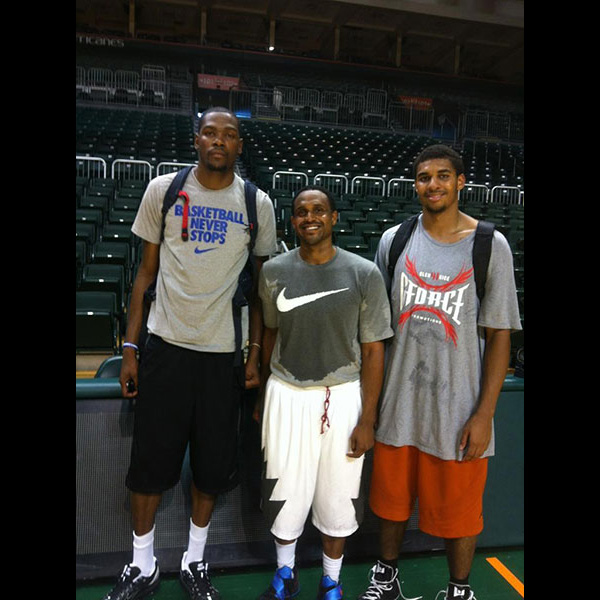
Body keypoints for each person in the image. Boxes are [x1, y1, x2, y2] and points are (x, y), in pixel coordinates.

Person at [104, 106, 277, 600]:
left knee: (210, 467)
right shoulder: (163, 189)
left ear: (239, 146)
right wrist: (132, 347)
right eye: (210, 132)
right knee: (150, 466)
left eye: (229, 134)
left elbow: (263, 288)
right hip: (165, 349)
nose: (219, 140)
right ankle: (142, 566)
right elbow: (144, 276)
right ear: (195, 139)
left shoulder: (255, 202)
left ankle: (194, 562)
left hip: (223, 356)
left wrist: (255, 353)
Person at [357, 144, 522, 600]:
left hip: (458, 406)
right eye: (425, 177)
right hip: (398, 402)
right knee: (389, 504)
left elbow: (501, 335)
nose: (433, 184)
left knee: (461, 512)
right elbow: (375, 332)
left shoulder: (490, 245)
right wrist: (370, 409)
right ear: (416, 185)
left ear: (460, 182)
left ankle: (459, 589)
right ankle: (386, 578)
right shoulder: (394, 240)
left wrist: (484, 414)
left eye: (443, 176)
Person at [255, 186, 394, 600]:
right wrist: (263, 397)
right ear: (293, 220)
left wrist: (368, 418)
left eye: (318, 210)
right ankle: (285, 576)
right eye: (301, 212)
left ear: (334, 218)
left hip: (344, 396)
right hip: (286, 393)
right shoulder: (274, 271)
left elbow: (374, 350)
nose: (309, 217)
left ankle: (330, 580)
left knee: (339, 497)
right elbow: (269, 332)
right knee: (284, 493)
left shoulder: (364, 273)